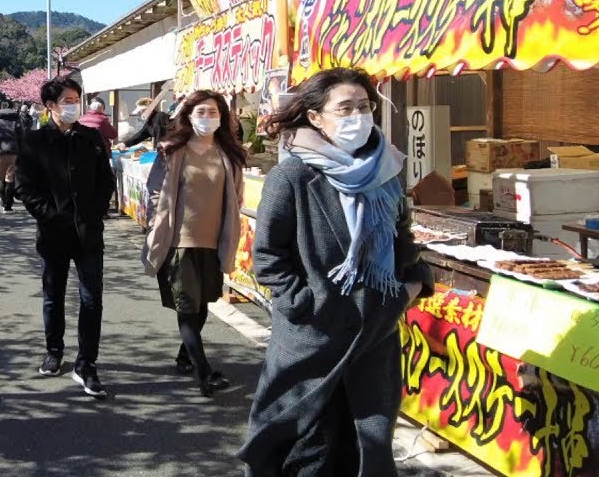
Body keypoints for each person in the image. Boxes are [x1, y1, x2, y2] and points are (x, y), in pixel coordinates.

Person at [238, 67, 434, 477]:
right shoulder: (292, 176)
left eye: (364, 106)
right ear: (315, 117)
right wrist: (304, 305)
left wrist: (410, 286)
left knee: (366, 446)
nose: (358, 116)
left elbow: (401, 235)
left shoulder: (388, 169)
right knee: (308, 448)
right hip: (315, 337)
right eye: (345, 108)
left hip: (374, 333)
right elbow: (269, 256)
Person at [142, 90, 248, 397]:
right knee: (187, 308)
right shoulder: (172, 150)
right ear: (188, 115)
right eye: (201, 112)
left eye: (213, 112)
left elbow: (236, 196)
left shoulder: (230, 154)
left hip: (214, 242)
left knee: (202, 306)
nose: (207, 118)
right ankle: (205, 372)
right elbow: (154, 192)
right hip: (179, 242)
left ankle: (184, 355)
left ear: (222, 117)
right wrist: (154, 227)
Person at [15, 76, 115, 399]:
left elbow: (106, 181)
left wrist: (94, 212)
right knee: (53, 294)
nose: (74, 105)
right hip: (54, 234)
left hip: (88, 234)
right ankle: (54, 349)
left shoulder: (91, 138)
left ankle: (86, 363)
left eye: (77, 99)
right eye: (68, 100)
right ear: (50, 106)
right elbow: (24, 188)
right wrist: (52, 214)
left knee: (92, 298)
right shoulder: (34, 142)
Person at [0, 102, 24, 212]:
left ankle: (3, 201)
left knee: (0, 176)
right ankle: (8, 204)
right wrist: (22, 152)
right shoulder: (16, 120)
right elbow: (22, 137)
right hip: (13, 151)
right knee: (10, 177)